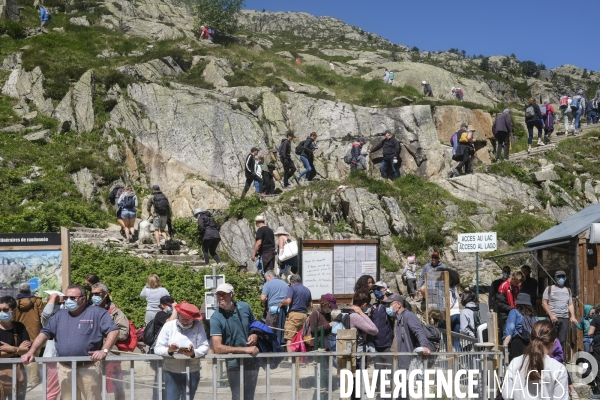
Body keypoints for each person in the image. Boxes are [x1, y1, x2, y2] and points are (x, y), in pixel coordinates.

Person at [21, 285, 119, 400]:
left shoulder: (97, 312)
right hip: (65, 368)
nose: (68, 301)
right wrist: (32, 351)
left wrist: (104, 350)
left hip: (89, 366)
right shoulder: (59, 315)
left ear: (83, 298)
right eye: (66, 297)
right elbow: (44, 333)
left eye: (72, 298)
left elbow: (113, 331)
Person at [210, 283, 259, 400]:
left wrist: (255, 335)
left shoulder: (245, 307)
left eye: (224, 294)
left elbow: (255, 325)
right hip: (233, 363)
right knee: (237, 396)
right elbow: (217, 347)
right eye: (218, 295)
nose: (221, 297)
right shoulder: (215, 318)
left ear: (232, 295)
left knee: (249, 396)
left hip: (252, 360)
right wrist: (245, 350)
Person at [153, 301, 209, 400]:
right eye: (183, 319)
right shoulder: (168, 326)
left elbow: (204, 346)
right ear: (178, 315)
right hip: (171, 370)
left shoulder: (198, 325)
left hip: (192, 370)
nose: (186, 322)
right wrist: (169, 350)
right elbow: (157, 348)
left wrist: (193, 353)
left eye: (189, 320)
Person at [502, 320, 568, 400]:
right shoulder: (559, 369)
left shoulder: (515, 363)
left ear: (530, 339)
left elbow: (507, 395)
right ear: (553, 343)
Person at [91, 283, 130, 400]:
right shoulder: (89, 310)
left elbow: (124, 333)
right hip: (93, 355)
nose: (94, 296)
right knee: (95, 387)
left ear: (105, 294)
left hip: (111, 355)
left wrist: (108, 335)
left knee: (116, 387)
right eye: (92, 294)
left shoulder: (116, 312)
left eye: (97, 294)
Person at [383, 293, 431, 386]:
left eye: (391, 304)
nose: (389, 307)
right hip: (400, 358)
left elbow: (419, 331)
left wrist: (424, 346)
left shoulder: (409, 316)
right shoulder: (398, 317)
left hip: (407, 358)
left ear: (399, 304)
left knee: (404, 387)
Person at [0, 296, 32, 400]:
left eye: (5, 310)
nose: (1, 312)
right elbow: (21, 350)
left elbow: (27, 350)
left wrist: (12, 349)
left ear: (13, 311)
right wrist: (18, 350)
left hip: (18, 374)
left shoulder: (19, 327)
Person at [12, 282, 43, 387]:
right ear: (30, 290)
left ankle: (23, 378)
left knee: (21, 355)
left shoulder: (15, 303)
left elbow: (12, 318)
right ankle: (34, 379)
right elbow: (42, 317)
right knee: (34, 356)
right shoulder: (37, 301)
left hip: (20, 333)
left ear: (19, 290)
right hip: (35, 333)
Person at [542, 270, 578, 352]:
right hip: (552, 318)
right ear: (555, 278)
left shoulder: (568, 290)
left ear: (566, 278)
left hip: (564, 318)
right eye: (559, 277)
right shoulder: (549, 289)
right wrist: (551, 315)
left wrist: (572, 316)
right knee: (550, 339)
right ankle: (549, 357)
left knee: (562, 340)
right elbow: (544, 303)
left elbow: (570, 304)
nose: (561, 278)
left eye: (563, 277)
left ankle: (559, 358)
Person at [280, 274, 312, 352]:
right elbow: (311, 305)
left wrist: (281, 303)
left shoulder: (292, 288)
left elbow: (288, 301)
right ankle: (299, 359)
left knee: (289, 338)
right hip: (304, 315)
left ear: (292, 282)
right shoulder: (307, 290)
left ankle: (290, 360)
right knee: (299, 337)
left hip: (293, 315)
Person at [502, 293, 538, 361]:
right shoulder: (534, 315)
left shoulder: (514, 312)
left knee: (517, 368)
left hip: (517, 344)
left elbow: (510, 329)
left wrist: (504, 346)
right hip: (532, 344)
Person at [41, 293, 62, 400]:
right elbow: (46, 314)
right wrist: (53, 298)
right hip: (53, 357)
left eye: (62, 302)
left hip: (66, 357)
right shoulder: (49, 320)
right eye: (57, 303)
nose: (60, 305)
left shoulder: (67, 316)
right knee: (53, 388)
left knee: (67, 388)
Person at [260, 270, 289, 341]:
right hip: (284, 310)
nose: (266, 280)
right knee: (281, 330)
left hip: (273, 310)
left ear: (269, 276)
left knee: (269, 330)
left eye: (266, 278)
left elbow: (263, 298)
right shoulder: (285, 284)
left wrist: (263, 302)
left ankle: (270, 347)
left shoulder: (267, 284)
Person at [147, 185, 171, 249]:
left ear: (153, 190)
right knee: (162, 230)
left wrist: (149, 212)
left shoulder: (152, 197)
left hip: (157, 215)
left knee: (156, 230)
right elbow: (168, 206)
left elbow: (148, 205)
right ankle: (166, 239)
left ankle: (158, 245)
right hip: (164, 215)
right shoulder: (164, 196)